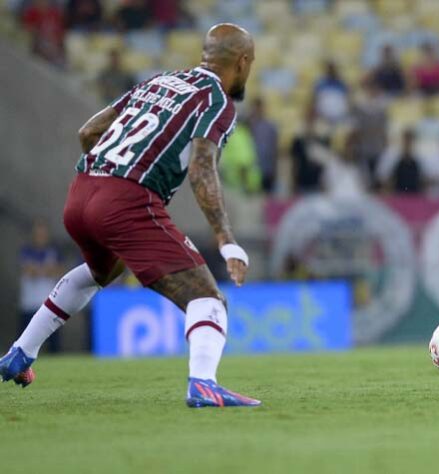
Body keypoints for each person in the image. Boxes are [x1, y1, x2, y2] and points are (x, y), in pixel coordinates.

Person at [0, 23, 261, 408]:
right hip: (126, 200)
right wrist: (225, 238)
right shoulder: (216, 102)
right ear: (243, 62)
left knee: (102, 270)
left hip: (82, 191)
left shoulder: (160, 81)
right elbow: (202, 169)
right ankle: (204, 384)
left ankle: (20, 353)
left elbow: (88, 132)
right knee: (207, 299)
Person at [18, 220, 64, 354]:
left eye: (43, 233)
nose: (41, 236)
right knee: (25, 340)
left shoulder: (54, 251)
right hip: (29, 303)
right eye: (38, 233)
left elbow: (60, 271)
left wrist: (38, 269)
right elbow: (28, 271)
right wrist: (47, 270)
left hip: (50, 304)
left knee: (53, 342)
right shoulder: (26, 250)